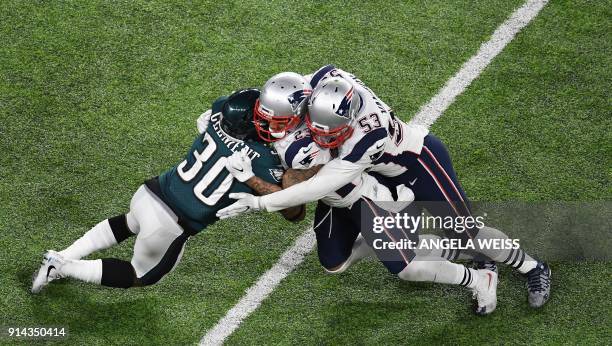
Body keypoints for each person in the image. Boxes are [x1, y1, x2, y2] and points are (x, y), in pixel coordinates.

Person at [219, 66, 552, 311]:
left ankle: (532, 267)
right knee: (370, 251)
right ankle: (467, 261)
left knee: (463, 232)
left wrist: (261, 202)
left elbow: (318, 186)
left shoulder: (365, 136)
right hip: (373, 179)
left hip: (416, 165)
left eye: (328, 134)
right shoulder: (322, 89)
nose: (322, 138)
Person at [31, 89, 302, 293]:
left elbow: (224, 109)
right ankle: (62, 266)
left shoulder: (221, 110)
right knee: (141, 275)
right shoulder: (261, 158)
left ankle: (63, 255)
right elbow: (294, 212)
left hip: (150, 193)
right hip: (171, 224)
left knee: (128, 222)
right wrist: (257, 179)